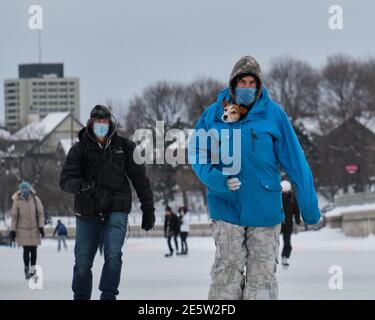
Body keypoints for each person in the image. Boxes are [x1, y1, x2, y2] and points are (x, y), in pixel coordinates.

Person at [189, 55, 320, 300]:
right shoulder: (213, 115)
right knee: (226, 272)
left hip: (265, 205)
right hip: (226, 204)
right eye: (242, 82)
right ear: (233, 84)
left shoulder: (274, 115)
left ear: (259, 85)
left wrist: (309, 205)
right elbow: (197, 152)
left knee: (262, 276)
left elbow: (295, 161)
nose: (247, 87)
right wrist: (217, 180)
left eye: (252, 83)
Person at [60, 104, 155, 300]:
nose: (101, 125)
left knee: (113, 254)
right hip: (87, 212)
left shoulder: (126, 147)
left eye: (105, 121)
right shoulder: (79, 149)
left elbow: (140, 180)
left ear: (111, 124)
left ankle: (108, 295)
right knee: (83, 262)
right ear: (90, 124)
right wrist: (82, 186)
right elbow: (65, 181)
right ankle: (81, 296)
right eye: (98, 122)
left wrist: (148, 209)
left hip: (116, 210)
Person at [10, 181, 45, 280]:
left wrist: (41, 227)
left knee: (34, 251)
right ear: (20, 190)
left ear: (29, 189)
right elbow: (14, 217)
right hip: (22, 230)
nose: (24, 191)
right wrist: (12, 230)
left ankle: (32, 270)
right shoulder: (17, 200)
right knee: (26, 250)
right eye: (22, 189)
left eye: (26, 189)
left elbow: (41, 214)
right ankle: (26, 269)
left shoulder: (35, 199)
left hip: (35, 229)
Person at [280, 180, 301, 267]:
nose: (284, 194)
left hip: (288, 225)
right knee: (273, 242)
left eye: (286, 192)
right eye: (283, 192)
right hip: (277, 224)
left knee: (287, 243)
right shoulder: (276, 199)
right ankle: (272, 258)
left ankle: (285, 256)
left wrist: (297, 221)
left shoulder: (292, 199)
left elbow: (296, 211)